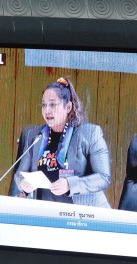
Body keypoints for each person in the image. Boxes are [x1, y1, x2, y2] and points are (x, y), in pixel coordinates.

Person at [12, 76, 111, 208]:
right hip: (46, 212)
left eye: (53, 104)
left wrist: (70, 184)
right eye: (44, 105)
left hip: (83, 215)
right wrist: (22, 183)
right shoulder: (34, 135)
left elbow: (103, 177)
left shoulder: (90, 133)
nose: (47, 110)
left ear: (68, 106)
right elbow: (19, 174)